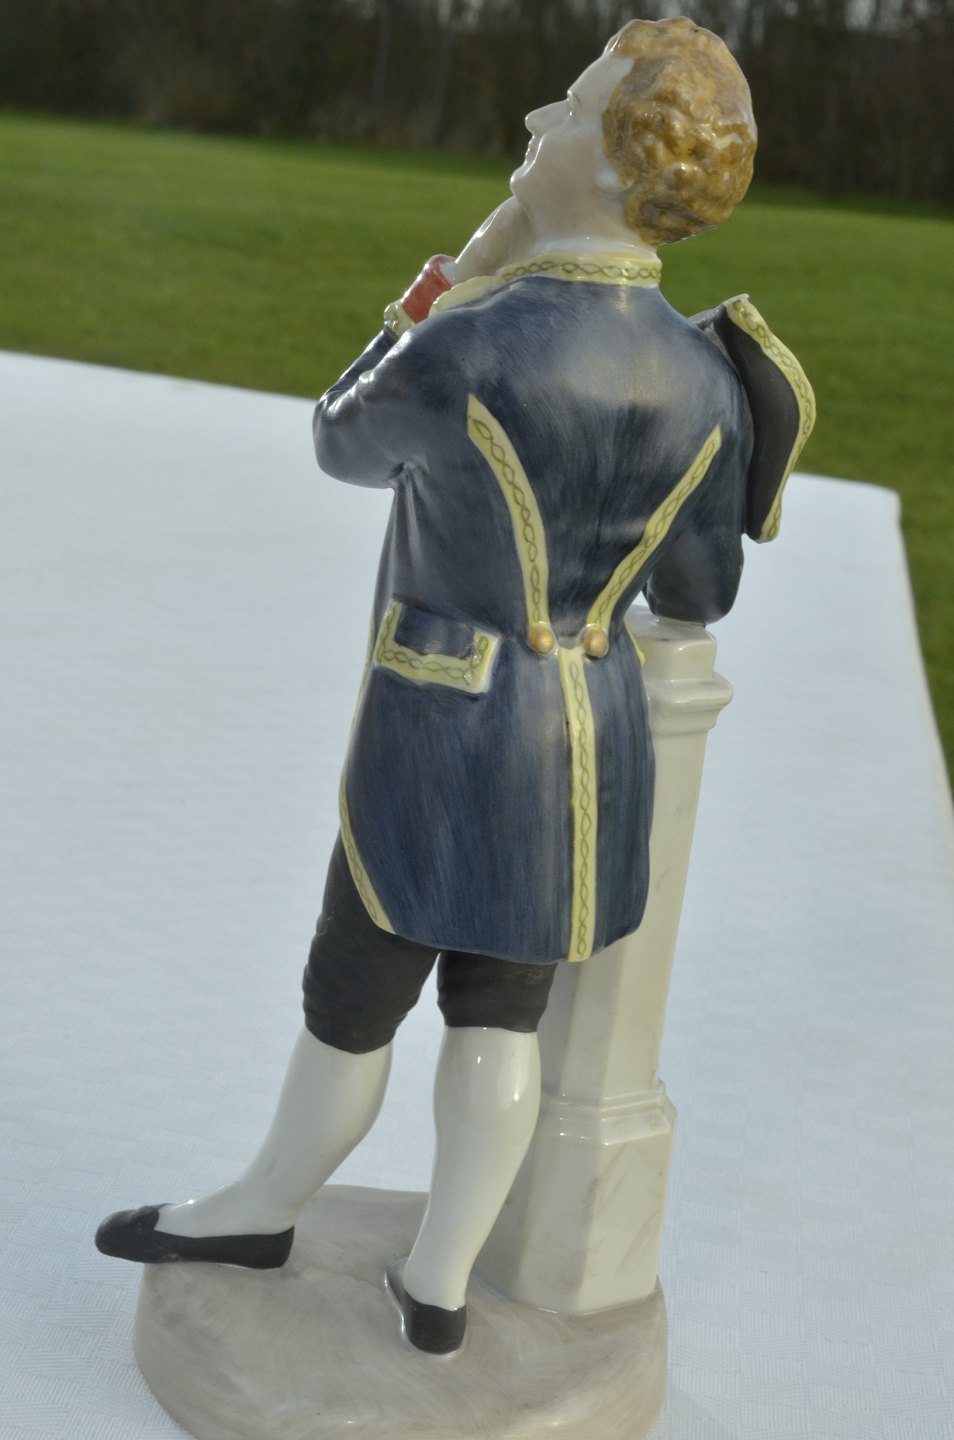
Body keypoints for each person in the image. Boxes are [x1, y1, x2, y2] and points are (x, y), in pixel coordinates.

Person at [96, 17, 814, 1354]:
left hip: (440, 728)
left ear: (617, 164)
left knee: (352, 995)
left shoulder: (471, 343)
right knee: (502, 1010)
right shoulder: (708, 377)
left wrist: (449, 280)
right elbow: (698, 590)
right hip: (584, 748)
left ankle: (262, 1207)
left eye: (569, 107)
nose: (537, 121)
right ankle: (437, 1280)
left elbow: (338, 439)